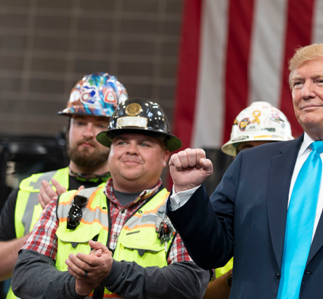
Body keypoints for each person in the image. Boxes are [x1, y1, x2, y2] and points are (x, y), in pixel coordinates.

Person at [166, 44, 323, 298]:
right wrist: (188, 192)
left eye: (319, 81)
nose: (305, 92)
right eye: (298, 83)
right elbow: (213, 252)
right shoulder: (249, 164)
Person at [12, 97, 210, 299]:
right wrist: (77, 285)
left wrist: (113, 273)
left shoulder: (182, 214)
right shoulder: (63, 204)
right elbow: (25, 276)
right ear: (110, 150)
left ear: (165, 156)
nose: (131, 150)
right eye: (121, 142)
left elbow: (190, 283)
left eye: (144, 143)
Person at [0, 72, 128, 299]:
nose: (87, 133)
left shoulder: (130, 197)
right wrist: (47, 226)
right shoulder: (30, 189)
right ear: (68, 127)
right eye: (79, 122)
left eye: (100, 124)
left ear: (118, 135)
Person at [204, 101, 293, 299]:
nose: (258, 159)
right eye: (248, 151)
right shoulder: (215, 211)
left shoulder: (309, 209)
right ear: (236, 159)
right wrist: (236, 278)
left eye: (270, 149)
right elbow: (198, 294)